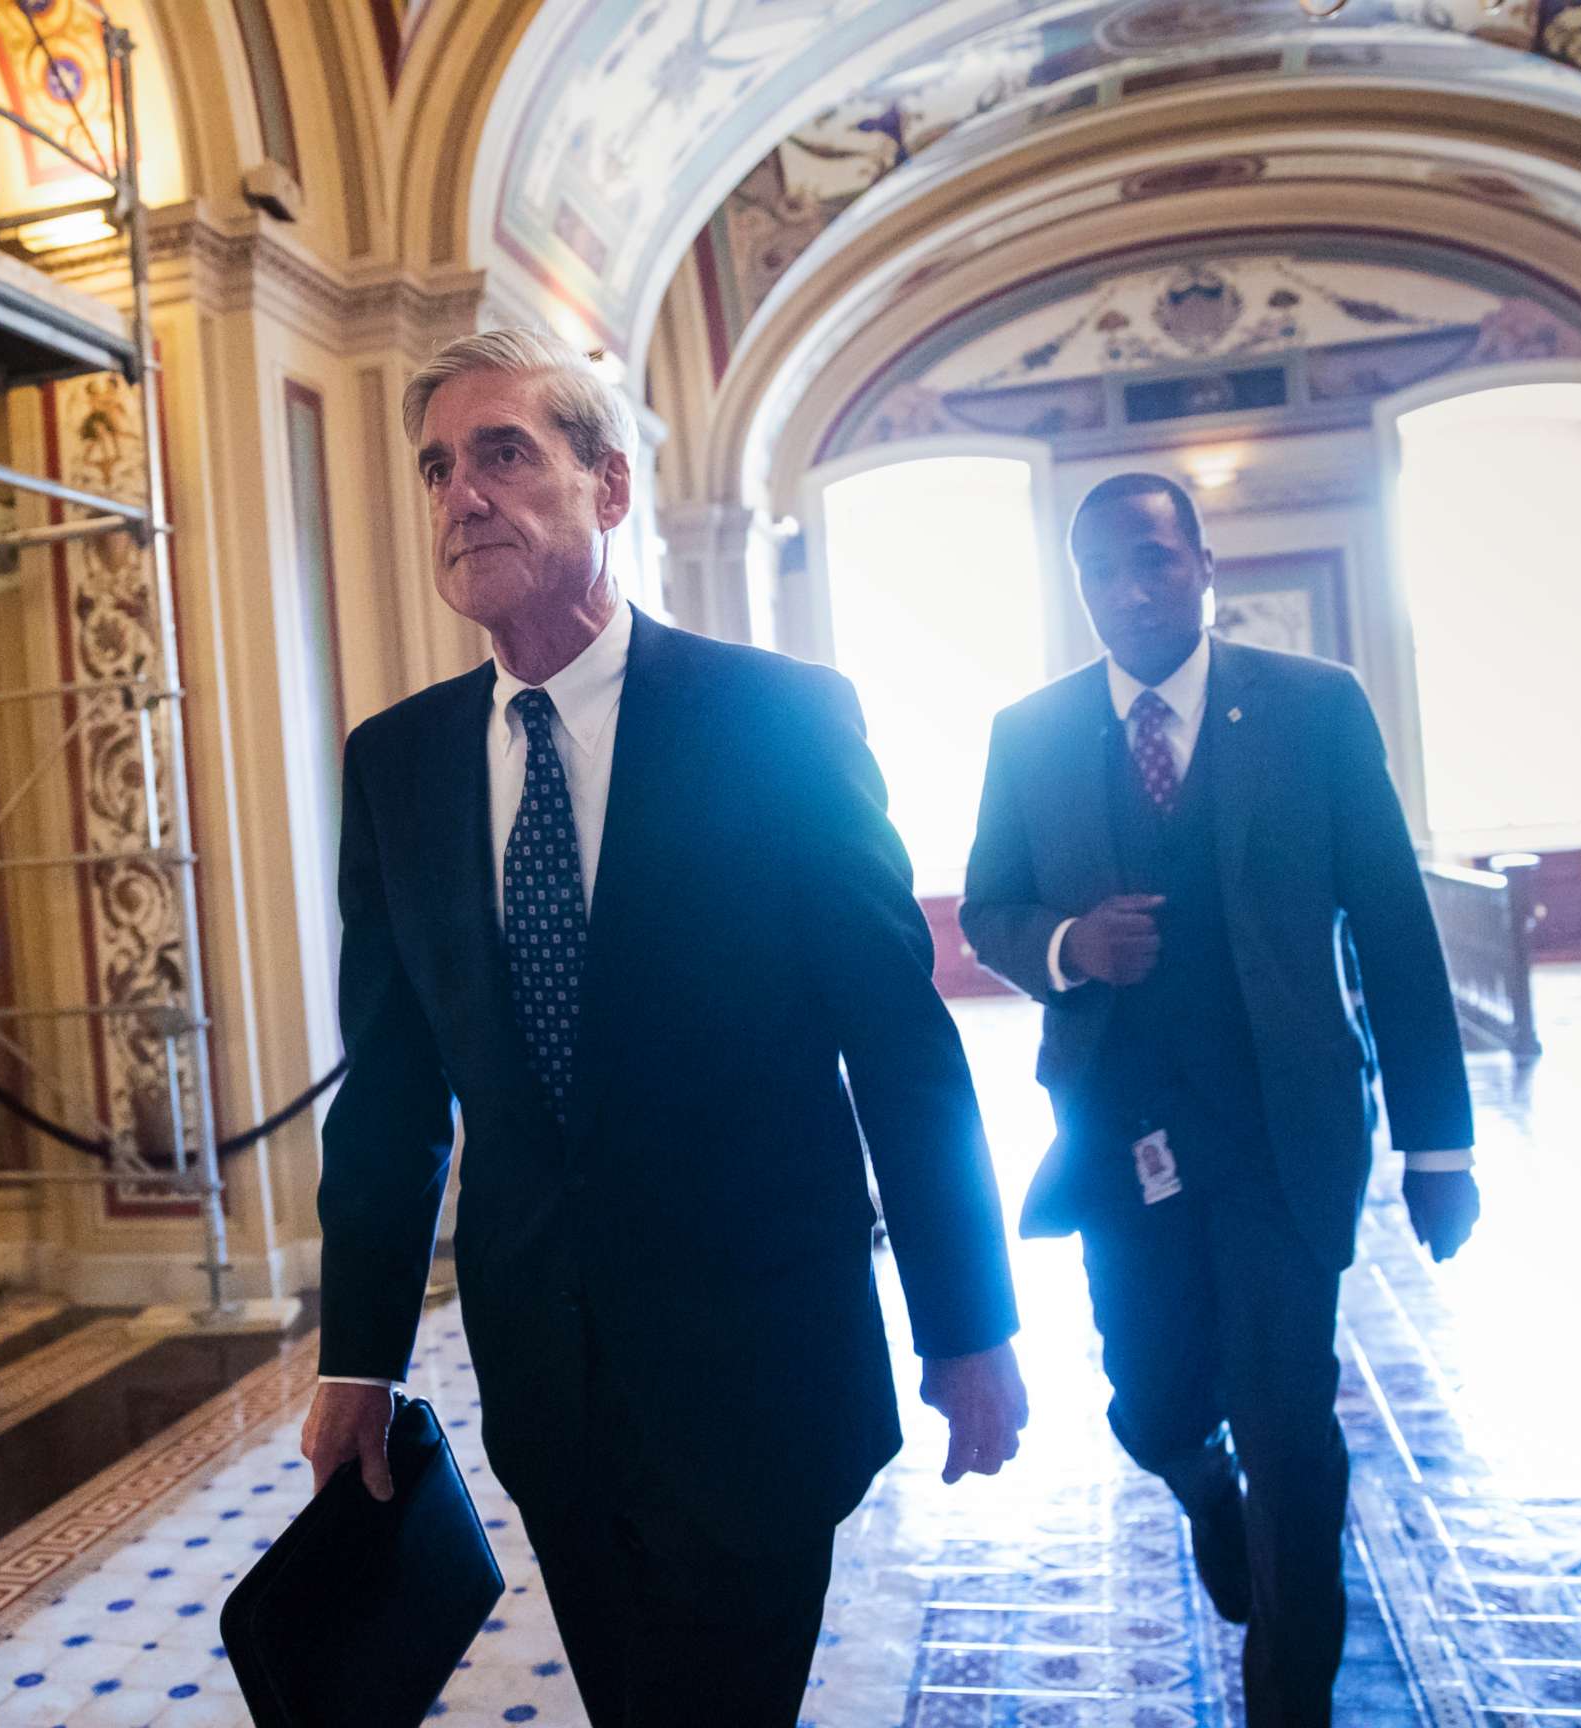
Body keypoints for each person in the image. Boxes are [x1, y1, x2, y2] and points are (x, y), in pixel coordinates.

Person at [303, 328, 1028, 1726]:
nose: (462, 493)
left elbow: (897, 1040)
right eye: (439, 466)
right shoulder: (397, 764)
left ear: (610, 487)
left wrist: (968, 1321)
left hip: (761, 1357)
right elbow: (391, 1091)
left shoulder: (778, 721)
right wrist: (359, 1356)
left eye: (505, 452)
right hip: (547, 1380)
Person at [960, 472, 1480, 1726]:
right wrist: (1074, 944)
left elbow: (1395, 928)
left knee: (1291, 1417)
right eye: (1102, 571)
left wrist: (1439, 1145)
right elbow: (988, 908)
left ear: (1202, 564)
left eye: (1153, 560)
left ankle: (1287, 1696)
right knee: (1151, 1397)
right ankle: (1202, 1489)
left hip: (1285, 1129)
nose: (1130, 591)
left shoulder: (1314, 710)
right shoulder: (1028, 734)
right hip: (1123, 1135)